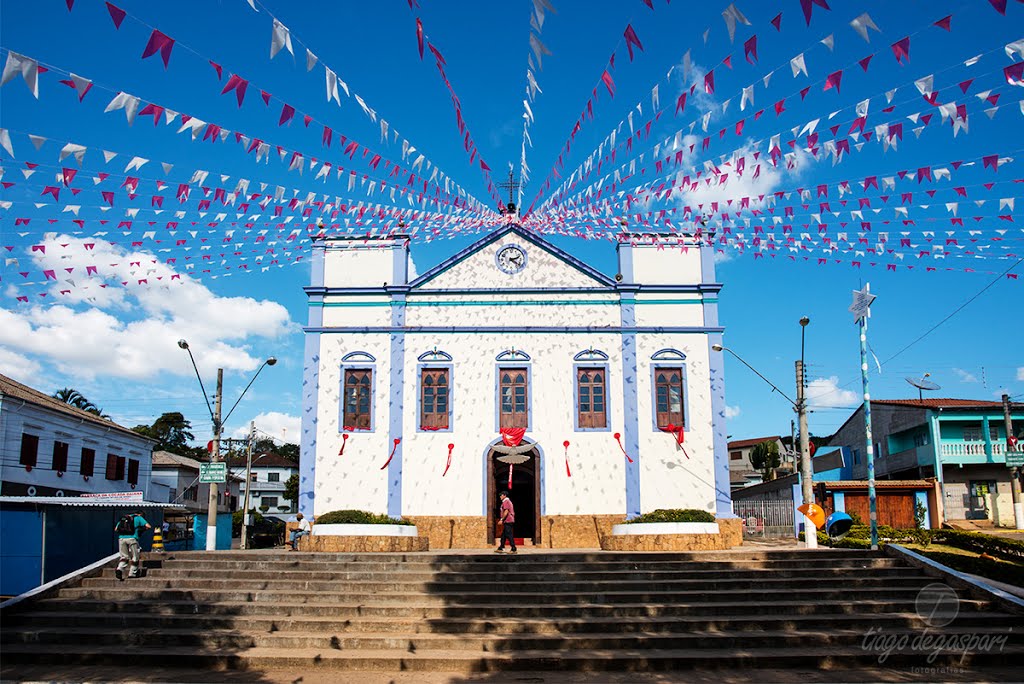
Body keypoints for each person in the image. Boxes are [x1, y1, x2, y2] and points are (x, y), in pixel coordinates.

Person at [115, 511, 151, 581]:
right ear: (140, 514)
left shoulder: (125, 518)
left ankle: (120, 569)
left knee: (124, 557)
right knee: (135, 557)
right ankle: (132, 573)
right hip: (132, 539)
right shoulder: (139, 518)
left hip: (121, 539)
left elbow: (116, 529)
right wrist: (141, 529)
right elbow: (148, 526)